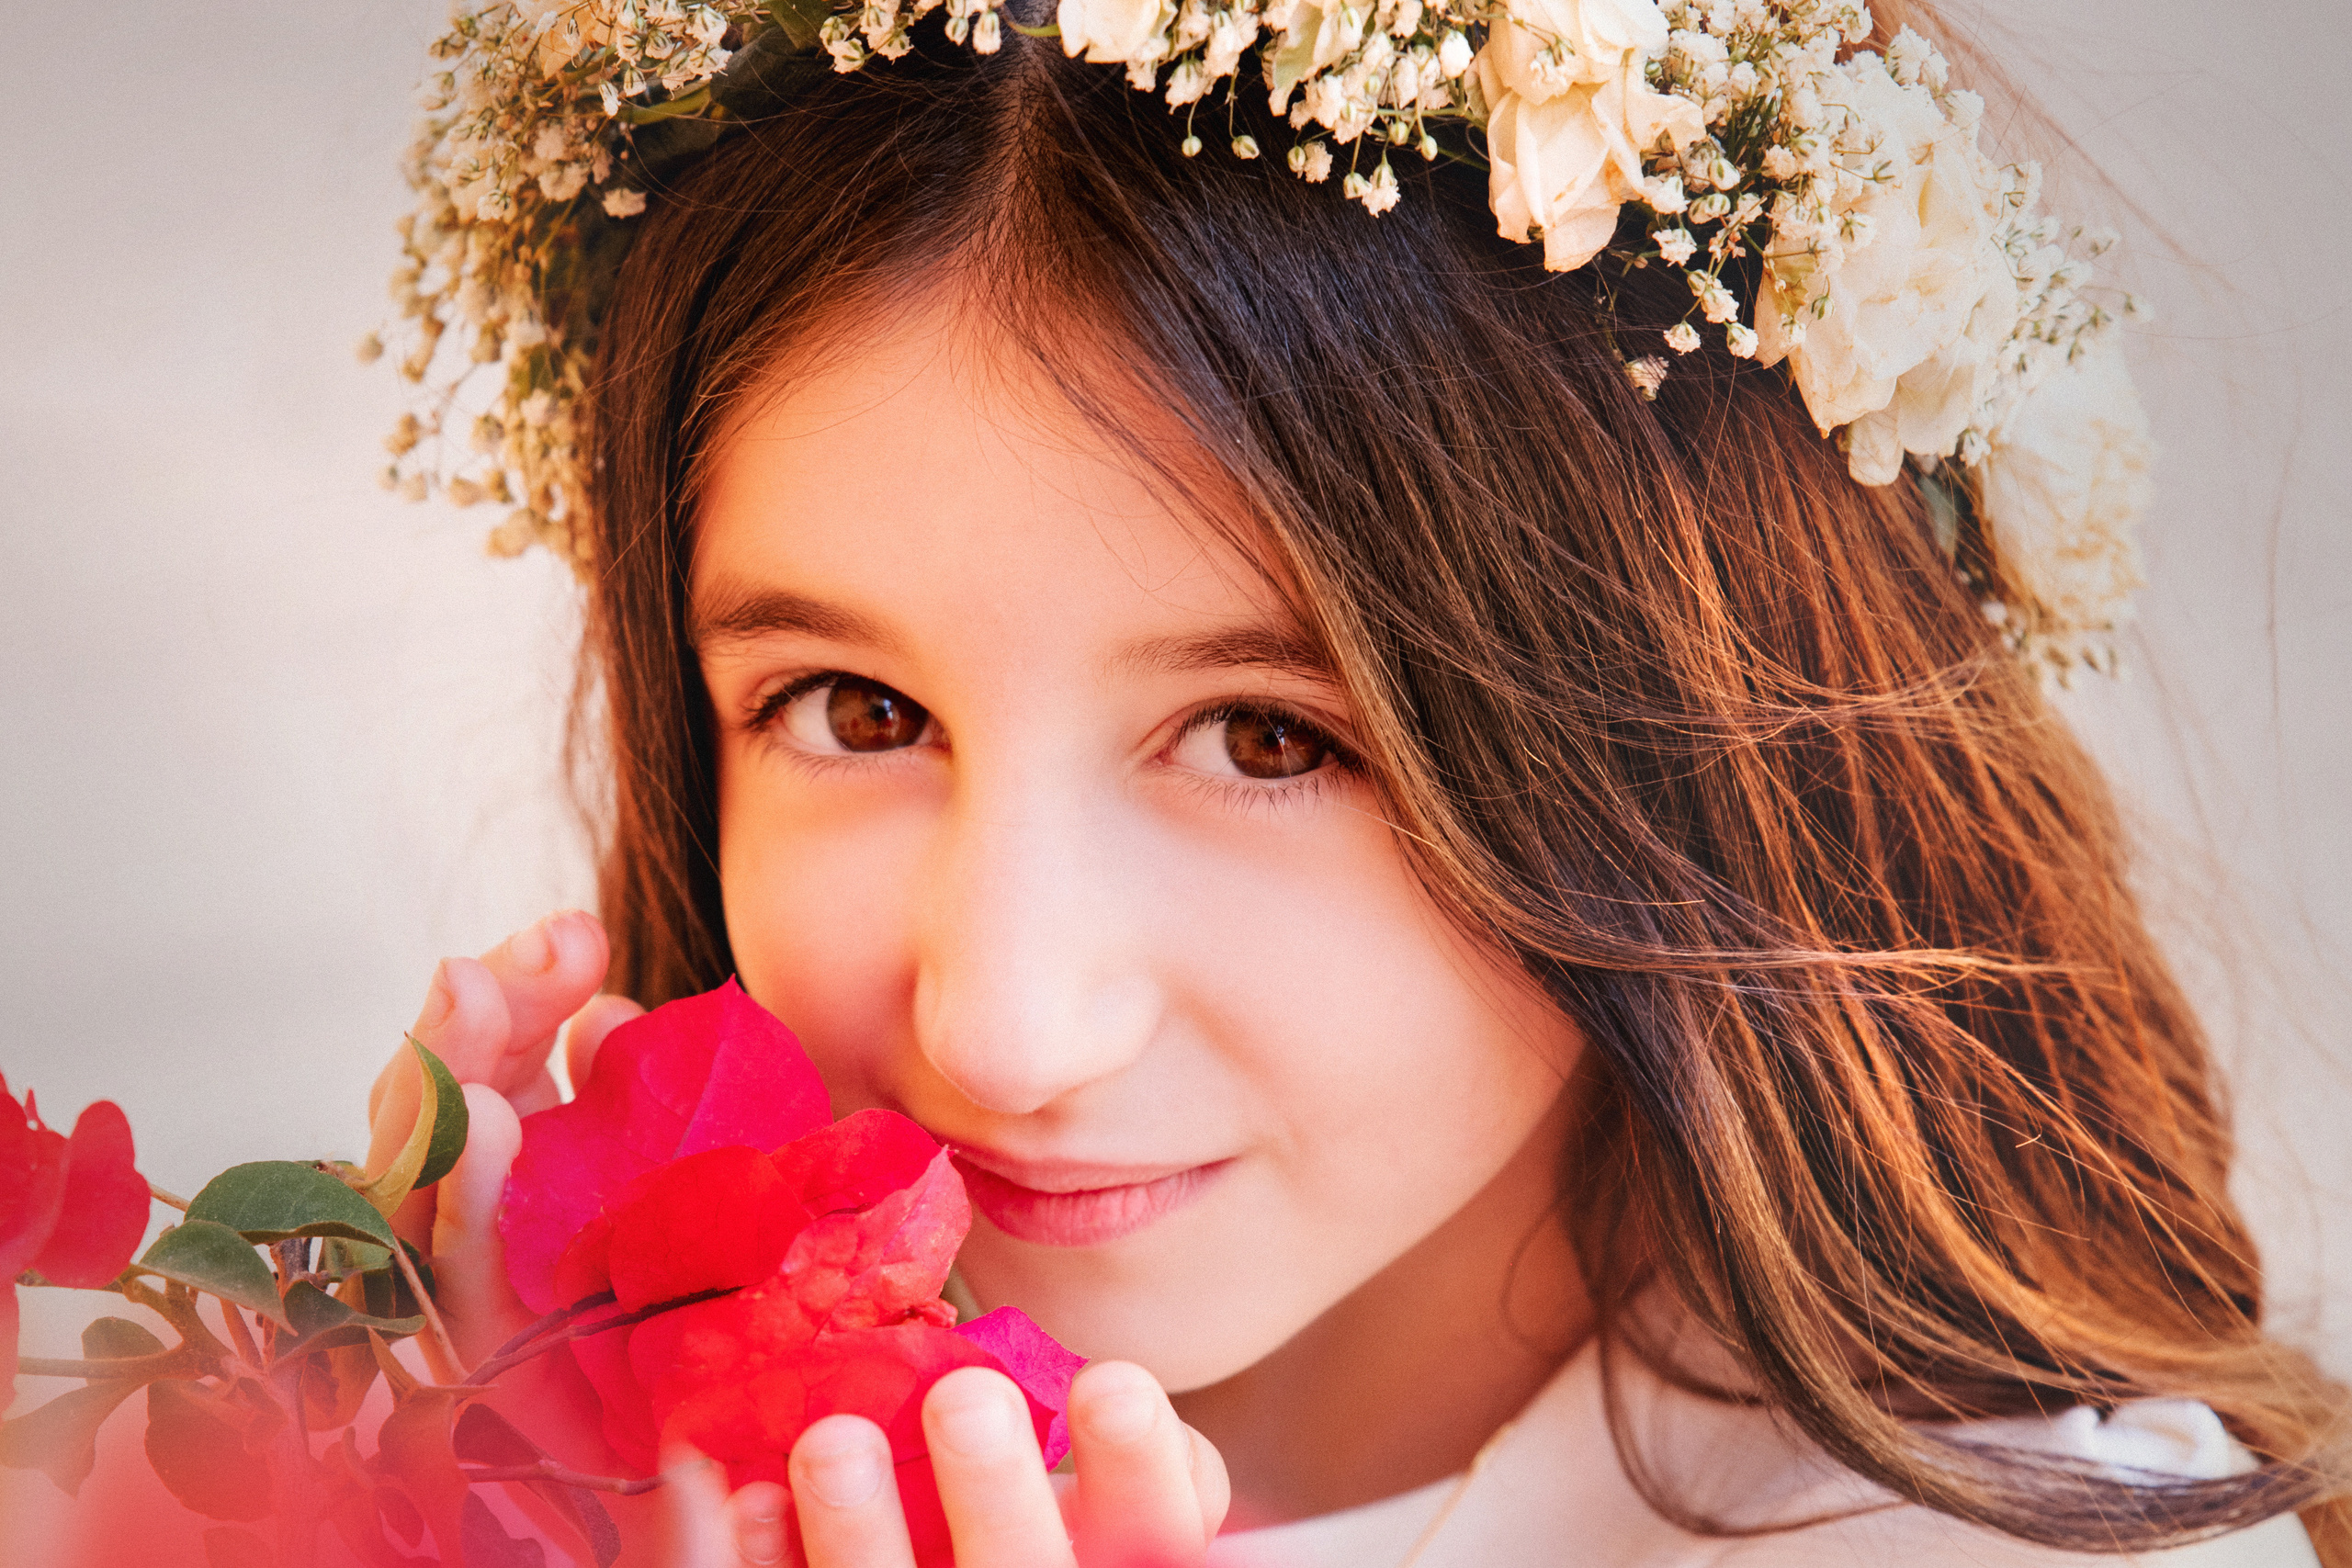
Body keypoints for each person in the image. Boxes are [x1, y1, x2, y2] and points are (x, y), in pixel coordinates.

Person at [360, 0, 2349, 1562]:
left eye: (1269, 736)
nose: (1005, 1022)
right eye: (855, 711)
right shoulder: (512, 1449)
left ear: (1692, 722)